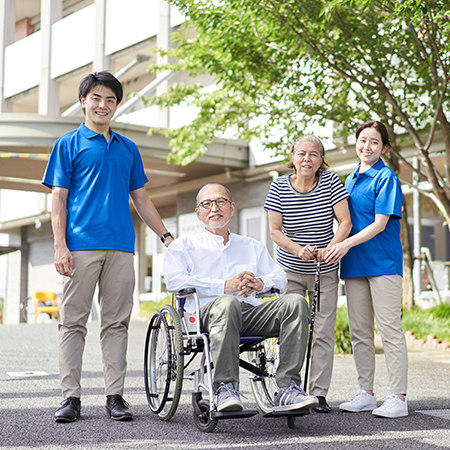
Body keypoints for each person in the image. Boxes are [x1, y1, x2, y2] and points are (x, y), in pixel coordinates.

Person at [42, 71, 174, 423]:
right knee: (73, 323)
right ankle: (70, 397)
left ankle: (115, 396)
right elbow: (59, 200)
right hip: (81, 246)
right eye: (97, 98)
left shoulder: (128, 149)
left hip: (121, 246)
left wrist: (166, 237)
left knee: (116, 323)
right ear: (83, 102)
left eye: (110, 100)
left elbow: (142, 199)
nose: (103, 105)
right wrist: (60, 246)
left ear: (117, 105)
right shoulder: (68, 144)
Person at [163, 183, 319, 413]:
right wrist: (223, 286)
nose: (214, 208)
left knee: (295, 302)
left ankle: (288, 388)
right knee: (228, 302)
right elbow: (174, 282)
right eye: (207, 204)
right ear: (198, 212)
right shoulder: (183, 246)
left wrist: (259, 283)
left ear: (232, 208)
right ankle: (224, 387)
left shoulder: (251, 246)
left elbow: (280, 278)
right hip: (207, 315)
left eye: (220, 202)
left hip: (250, 312)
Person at [325, 121, 408, 418]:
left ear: (383, 148)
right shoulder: (348, 180)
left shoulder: (387, 177)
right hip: (354, 265)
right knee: (360, 332)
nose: (367, 146)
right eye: (363, 140)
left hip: (383, 263)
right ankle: (366, 393)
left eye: (374, 142)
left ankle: (398, 397)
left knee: (389, 331)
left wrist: (344, 245)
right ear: (356, 143)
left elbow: (380, 223)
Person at [264, 135, 351, 413]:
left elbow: (345, 222)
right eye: (302, 153)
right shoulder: (278, 186)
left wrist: (331, 247)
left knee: (323, 331)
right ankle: (288, 387)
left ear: (321, 160)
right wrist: (298, 249)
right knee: (291, 329)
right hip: (289, 269)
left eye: (314, 154)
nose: (307, 159)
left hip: (323, 270)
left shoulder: (331, 182)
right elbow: (275, 232)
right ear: (292, 156)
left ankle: (319, 393)